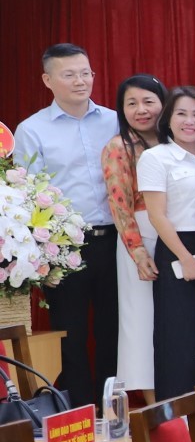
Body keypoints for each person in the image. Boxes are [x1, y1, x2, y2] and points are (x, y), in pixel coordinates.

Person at [13, 43, 120, 403]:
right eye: (69, 74)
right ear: (48, 80)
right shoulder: (32, 129)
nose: (80, 81)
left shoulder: (114, 120)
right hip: (64, 247)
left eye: (85, 73)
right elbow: (27, 192)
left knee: (114, 329)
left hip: (115, 241)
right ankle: (80, 411)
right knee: (70, 334)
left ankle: (112, 407)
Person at [138, 86, 195, 399]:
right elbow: (157, 216)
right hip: (178, 246)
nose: (190, 121)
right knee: (179, 337)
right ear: (168, 119)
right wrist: (186, 258)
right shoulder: (156, 157)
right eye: (181, 114)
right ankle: (177, 418)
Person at [102, 74, 166, 392]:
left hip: (177, 234)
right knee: (141, 323)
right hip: (139, 239)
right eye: (132, 103)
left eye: (148, 101)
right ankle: (156, 404)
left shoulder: (175, 140)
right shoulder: (119, 146)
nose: (141, 110)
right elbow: (120, 206)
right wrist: (138, 253)